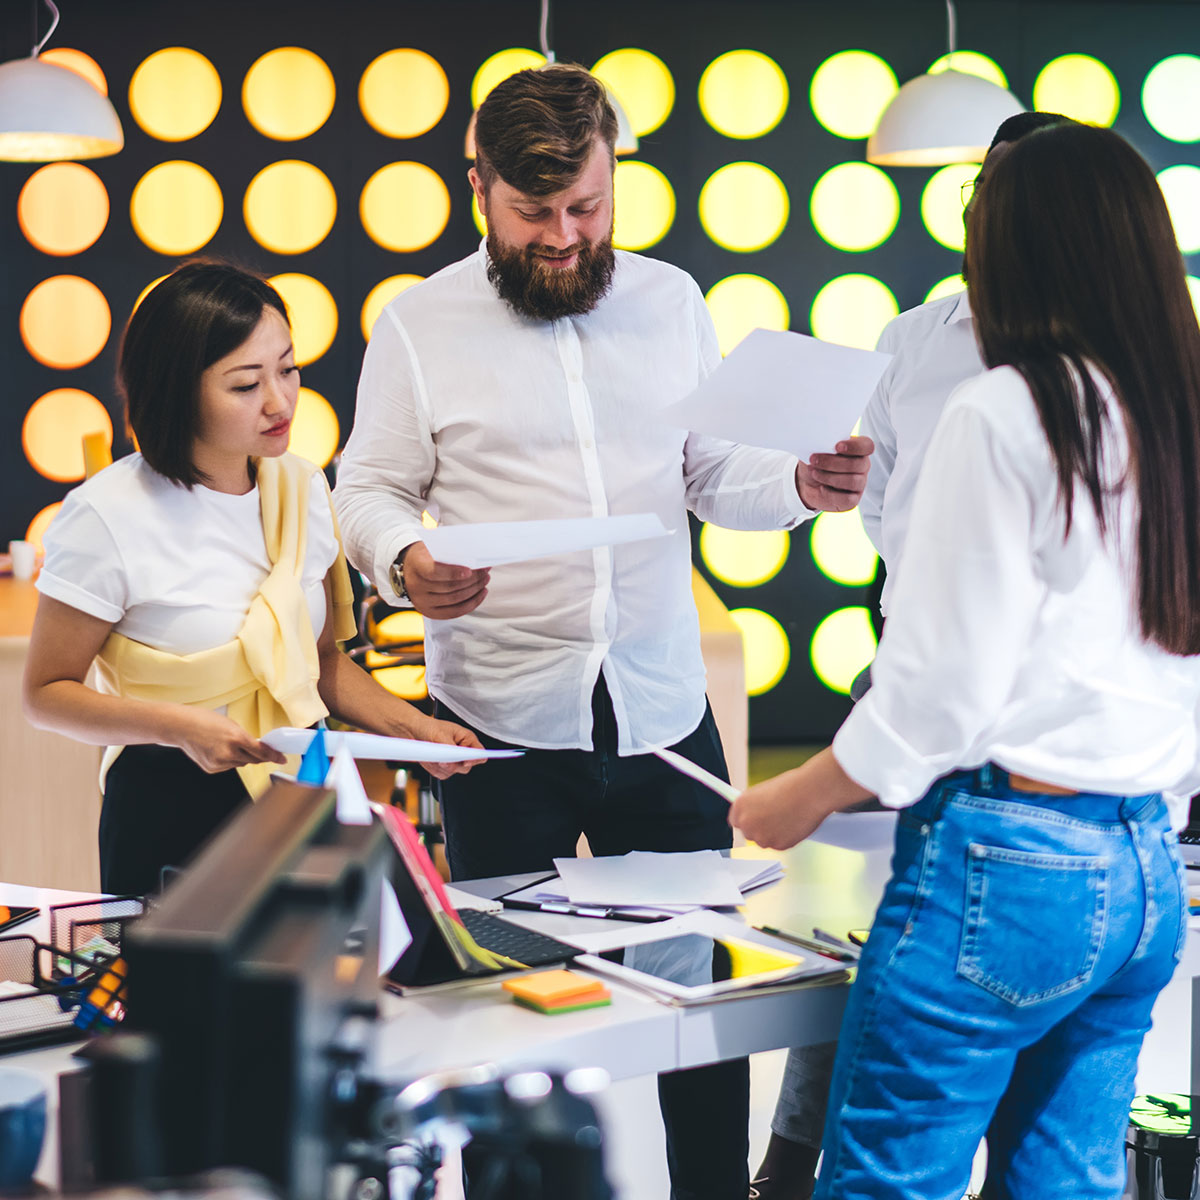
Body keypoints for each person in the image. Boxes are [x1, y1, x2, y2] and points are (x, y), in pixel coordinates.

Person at [334, 63, 872, 1200]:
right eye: (535, 216)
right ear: (477, 187)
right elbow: (368, 489)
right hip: (501, 727)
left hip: (666, 713)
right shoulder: (420, 323)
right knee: (506, 1024)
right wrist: (405, 560)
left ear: (612, 176)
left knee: (706, 1009)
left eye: (586, 207)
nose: (566, 239)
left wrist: (805, 486)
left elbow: (716, 475)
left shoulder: (672, 300)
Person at [732, 122, 1200, 1200]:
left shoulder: (1006, 410)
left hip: (1004, 856)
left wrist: (799, 796)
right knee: (1065, 1184)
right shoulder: (1173, 409)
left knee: (891, 1181)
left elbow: (937, 694)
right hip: (1142, 864)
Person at [750, 110, 1076, 1200]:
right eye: (979, 201)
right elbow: (881, 511)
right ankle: (789, 1163)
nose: (982, 223)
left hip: (1010, 725)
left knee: (945, 980)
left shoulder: (1083, 382)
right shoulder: (915, 338)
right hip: (907, 671)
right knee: (858, 946)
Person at [22, 261, 482, 897]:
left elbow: (319, 664)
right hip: (170, 806)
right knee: (184, 997)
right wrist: (180, 726)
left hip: (303, 794)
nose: (280, 401)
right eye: (245, 385)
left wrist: (416, 730)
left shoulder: (302, 487)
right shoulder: (108, 514)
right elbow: (45, 692)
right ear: (176, 389)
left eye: (288, 369)